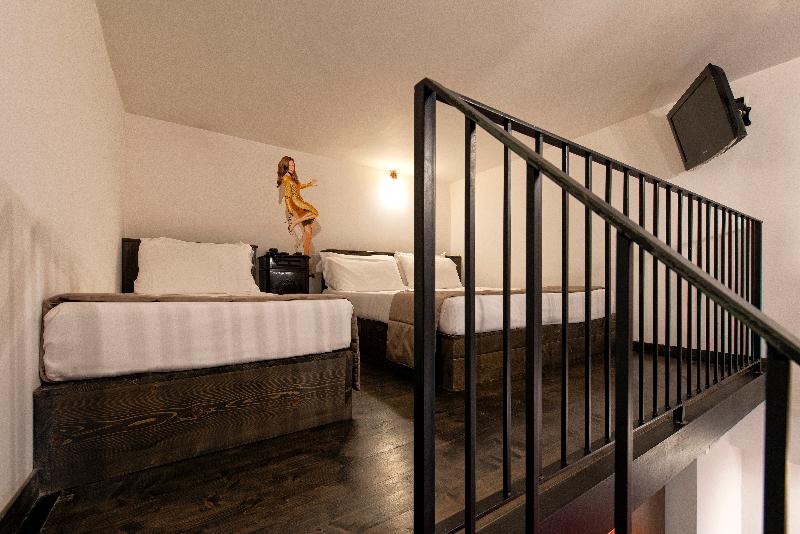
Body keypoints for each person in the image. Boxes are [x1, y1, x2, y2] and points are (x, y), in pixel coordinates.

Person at [276, 156, 319, 256]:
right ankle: (296, 222)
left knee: (308, 230)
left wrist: (310, 184)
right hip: (296, 204)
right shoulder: (286, 178)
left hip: (299, 202)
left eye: (293, 165)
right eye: (290, 165)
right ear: (285, 166)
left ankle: (306, 256)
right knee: (315, 212)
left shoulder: (292, 178)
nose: (292, 167)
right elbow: (287, 196)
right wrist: (290, 210)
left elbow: (299, 187)